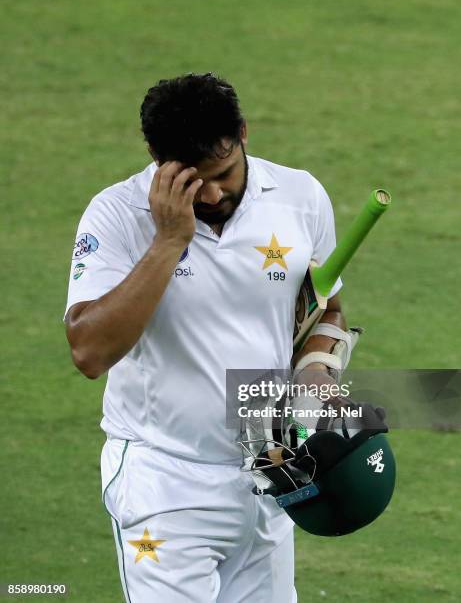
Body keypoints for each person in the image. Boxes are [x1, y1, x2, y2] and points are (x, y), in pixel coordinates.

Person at [64, 72, 347, 603]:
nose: (214, 194)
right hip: (164, 488)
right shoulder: (117, 216)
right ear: (155, 155)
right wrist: (170, 239)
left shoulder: (301, 196)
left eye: (224, 173)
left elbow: (324, 308)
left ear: (243, 133)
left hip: (269, 475)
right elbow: (89, 351)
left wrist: (316, 370)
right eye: (194, 181)